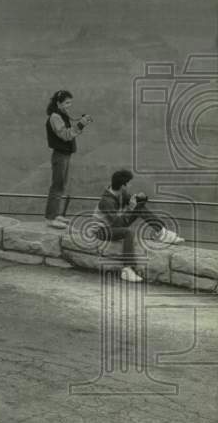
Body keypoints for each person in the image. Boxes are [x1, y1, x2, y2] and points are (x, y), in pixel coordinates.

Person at [95, 168, 184, 282]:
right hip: (102, 230)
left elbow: (134, 202)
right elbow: (118, 224)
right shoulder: (106, 201)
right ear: (123, 186)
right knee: (128, 232)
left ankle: (161, 232)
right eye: (129, 184)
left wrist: (142, 198)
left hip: (113, 224)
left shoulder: (120, 192)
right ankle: (127, 269)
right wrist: (131, 208)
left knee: (139, 207)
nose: (130, 186)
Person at [44, 90, 92, 229]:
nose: (69, 106)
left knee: (61, 185)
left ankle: (55, 214)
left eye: (70, 102)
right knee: (57, 186)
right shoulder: (55, 117)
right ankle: (50, 218)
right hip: (60, 155)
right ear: (58, 103)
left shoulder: (60, 115)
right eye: (66, 103)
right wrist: (80, 125)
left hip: (64, 154)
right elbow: (65, 135)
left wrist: (79, 124)